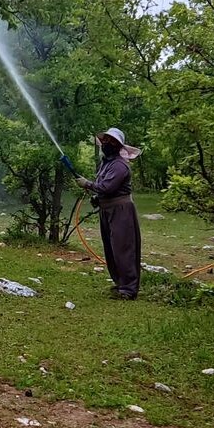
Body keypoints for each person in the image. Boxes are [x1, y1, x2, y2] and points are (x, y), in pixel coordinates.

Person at [75, 127, 142, 300]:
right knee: (111, 248)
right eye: (105, 139)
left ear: (118, 145)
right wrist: (98, 198)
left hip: (121, 211)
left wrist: (87, 184)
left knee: (123, 248)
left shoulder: (120, 165)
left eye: (111, 141)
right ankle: (120, 284)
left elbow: (107, 187)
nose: (106, 143)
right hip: (107, 210)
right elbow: (105, 189)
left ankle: (128, 290)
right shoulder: (107, 163)